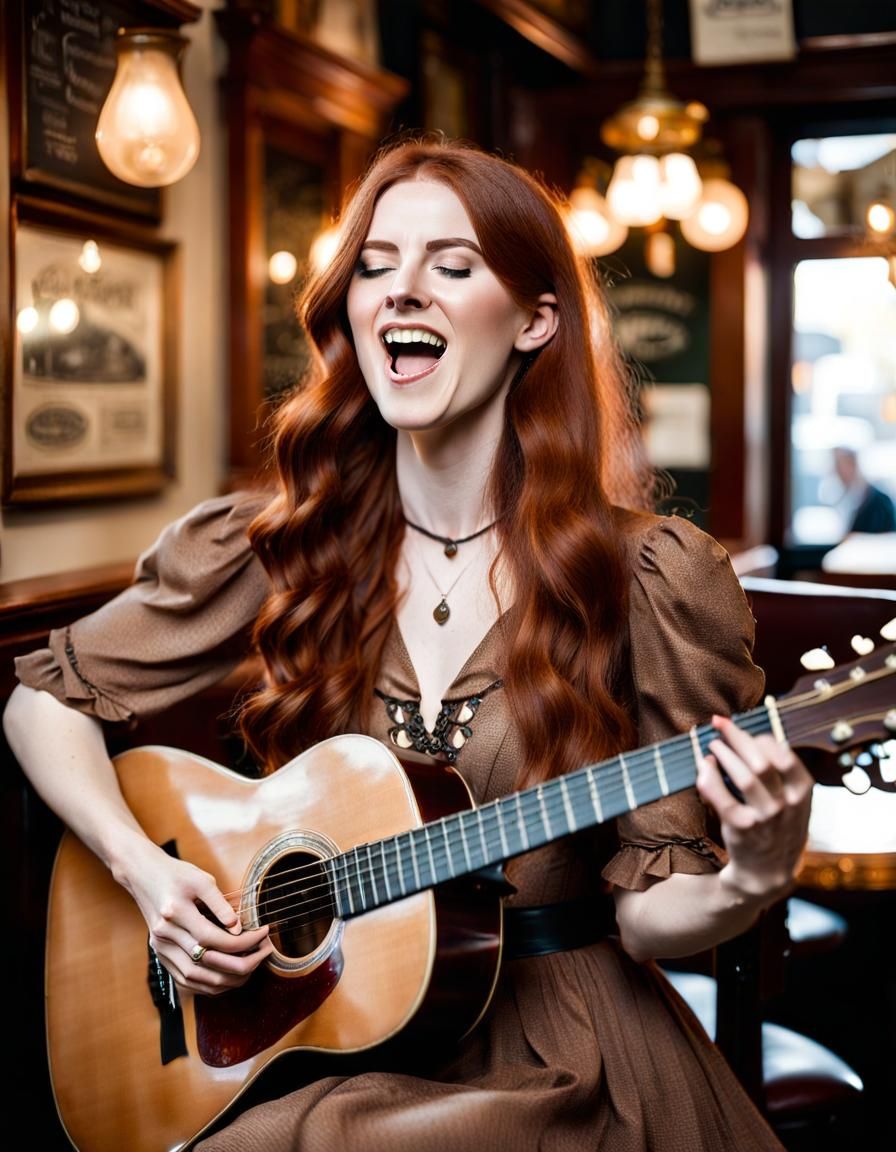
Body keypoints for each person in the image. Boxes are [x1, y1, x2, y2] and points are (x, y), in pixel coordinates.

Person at [4, 135, 813, 1152]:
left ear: (532, 320)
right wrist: (146, 873)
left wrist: (748, 875)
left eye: (451, 265)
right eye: (375, 266)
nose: (400, 292)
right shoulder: (281, 550)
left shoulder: (648, 575)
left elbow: (651, 916)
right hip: (333, 1033)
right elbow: (40, 701)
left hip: (556, 1052)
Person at [830, 444, 896, 535]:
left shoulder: (881, 501)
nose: (836, 471)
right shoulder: (847, 497)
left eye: (839, 465)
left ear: (852, 464)